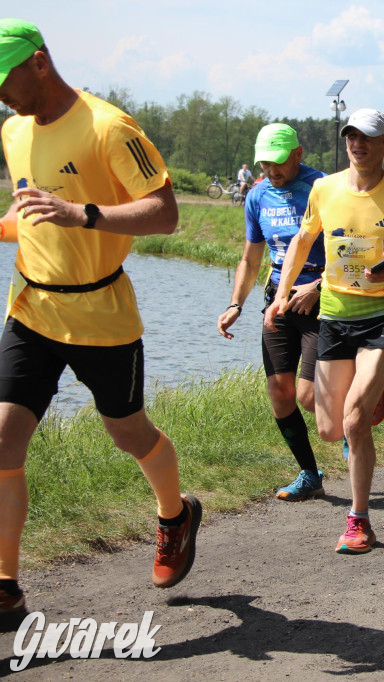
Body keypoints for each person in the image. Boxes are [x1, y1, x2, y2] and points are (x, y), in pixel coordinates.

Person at [0, 19, 201, 624]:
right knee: (3, 440)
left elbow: (165, 213)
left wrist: (82, 214)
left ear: (39, 62)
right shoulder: (12, 131)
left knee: (128, 433)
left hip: (103, 314)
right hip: (32, 307)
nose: (0, 94)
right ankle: (6, 586)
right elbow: (31, 217)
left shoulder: (109, 126)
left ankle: (176, 514)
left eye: (4, 78)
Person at [265, 108, 384, 554]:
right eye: (352, 136)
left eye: (368, 137)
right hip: (334, 316)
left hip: (383, 318)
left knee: (354, 421)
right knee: (331, 429)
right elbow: (302, 240)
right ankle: (372, 393)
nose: (358, 144)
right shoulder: (324, 189)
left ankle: (359, 520)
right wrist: (281, 293)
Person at [217, 123, 331, 501]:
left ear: (298, 154)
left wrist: (317, 287)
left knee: (309, 396)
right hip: (278, 300)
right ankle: (309, 473)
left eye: (278, 162)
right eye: (264, 162)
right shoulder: (257, 196)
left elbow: (351, 249)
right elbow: (250, 259)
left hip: (323, 296)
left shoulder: (324, 189)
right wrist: (236, 303)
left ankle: (354, 427)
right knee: (280, 393)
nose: (271, 170)